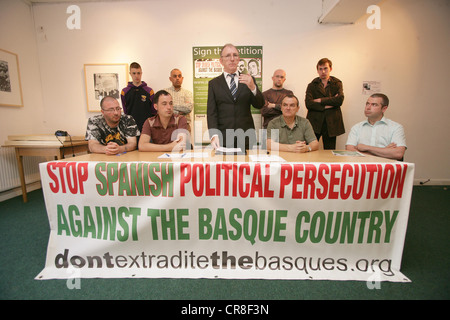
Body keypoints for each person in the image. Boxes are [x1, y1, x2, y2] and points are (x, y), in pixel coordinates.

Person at [207, 43, 265, 150]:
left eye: (235, 55)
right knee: (224, 166)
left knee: (247, 167)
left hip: (246, 136)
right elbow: (211, 113)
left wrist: (252, 87)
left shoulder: (248, 79)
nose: (232, 59)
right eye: (228, 56)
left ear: (238, 59)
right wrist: (214, 135)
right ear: (221, 61)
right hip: (223, 138)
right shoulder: (214, 84)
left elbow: (260, 104)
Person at [345, 93, 406, 160]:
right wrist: (385, 151)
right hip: (362, 168)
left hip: (385, 168)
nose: (368, 108)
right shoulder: (356, 128)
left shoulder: (396, 127)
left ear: (384, 109)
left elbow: (398, 153)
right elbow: (349, 151)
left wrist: (366, 147)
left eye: (374, 105)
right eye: (367, 104)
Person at [305, 58, 345, 149]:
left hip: (331, 122)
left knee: (329, 151)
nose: (323, 71)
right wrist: (330, 103)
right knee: (309, 149)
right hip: (315, 122)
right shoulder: (312, 85)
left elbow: (339, 100)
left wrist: (320, 100)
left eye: (325, 68)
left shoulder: (337, 83)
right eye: (320, 69)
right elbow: (309, 104)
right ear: (317, 70)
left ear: (330, 69)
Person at [120, 62, 156, 132]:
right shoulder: (124, 92)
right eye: (134, 73)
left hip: (147, 127)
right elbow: (125, 112)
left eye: (138, 73)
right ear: (130, 73)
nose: (136, 76)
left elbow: (153, 111)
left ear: (141, 73)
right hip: (131, 127)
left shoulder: (149, 91)